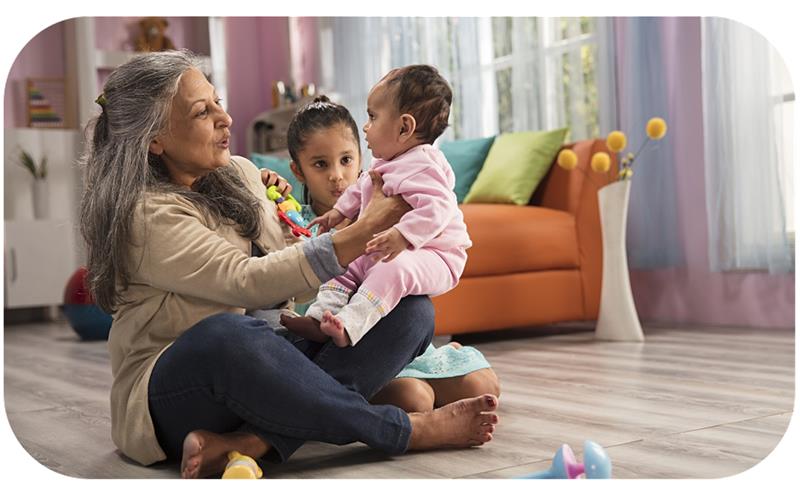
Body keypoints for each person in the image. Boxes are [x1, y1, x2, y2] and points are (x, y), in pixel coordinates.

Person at [78, 50, 499, 479]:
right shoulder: (145, 214)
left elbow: (291, 279)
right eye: (203, 112)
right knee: (228, 335)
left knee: (412, 311)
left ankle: (253, 441)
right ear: (155, 139)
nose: (225, 118)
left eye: (217, 101)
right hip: (177, 391)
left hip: (262, 362)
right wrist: (364, 228)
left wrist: (342, 256)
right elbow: (246, 282)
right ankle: (404, 430)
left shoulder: (240, 173)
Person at [279, 95, 500, 412]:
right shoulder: (296, 224)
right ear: (298, 171)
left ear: (362, 157)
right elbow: (287, 280)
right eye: (320, 164)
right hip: (345, 347)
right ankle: (392, 396)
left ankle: (428, 362)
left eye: (346, 160)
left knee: (483, 385)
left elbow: (414, 263)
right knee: (414, 399)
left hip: (390, 332)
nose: (336, 175)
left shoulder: (388, 198)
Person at [286, 65, 470, 350]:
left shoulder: (424, 164)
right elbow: (362, 187)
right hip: (395, 248)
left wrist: (403, 235)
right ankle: (320, 315)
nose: (366, 126)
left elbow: (439, 207)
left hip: (437, 254)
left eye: (373, 117)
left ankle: (350, 324)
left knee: (392, 269)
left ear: (404, 128)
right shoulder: (386, 163)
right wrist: (339, 212)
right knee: (345, 262)